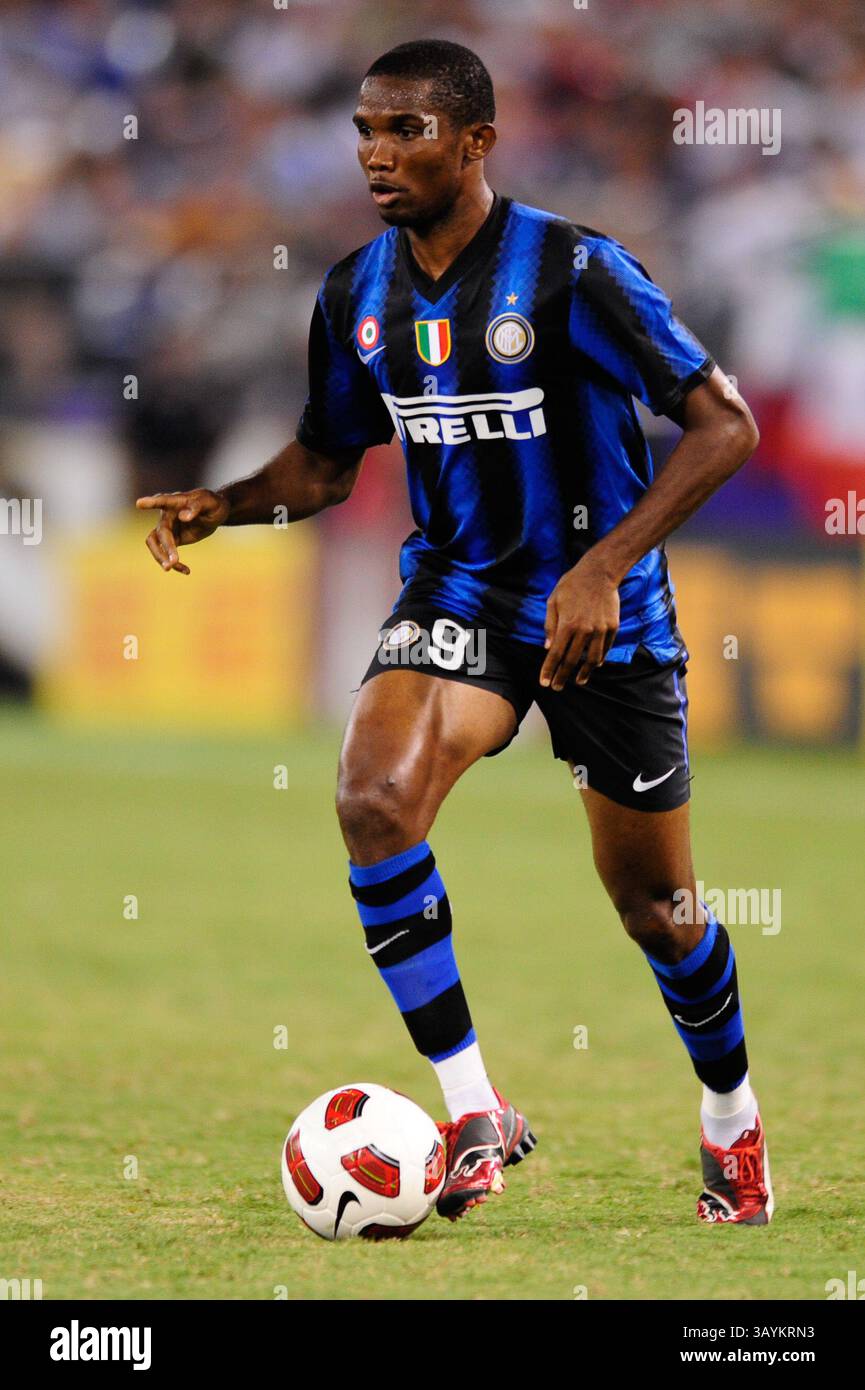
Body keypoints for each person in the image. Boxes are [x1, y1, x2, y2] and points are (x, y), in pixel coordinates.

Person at [139, 39, 772, 1226]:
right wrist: (225, 503)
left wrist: (602, 564)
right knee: (372, 800)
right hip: (458, 599)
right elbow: (327, 464)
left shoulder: (575, 269)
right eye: (366, 132)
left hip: (603, 615)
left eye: (408, 131)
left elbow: (720, 425)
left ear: (476, 141)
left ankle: (731, 1120)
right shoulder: (354, 293)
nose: (379, 155)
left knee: (657, 912)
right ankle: (473, 1107)